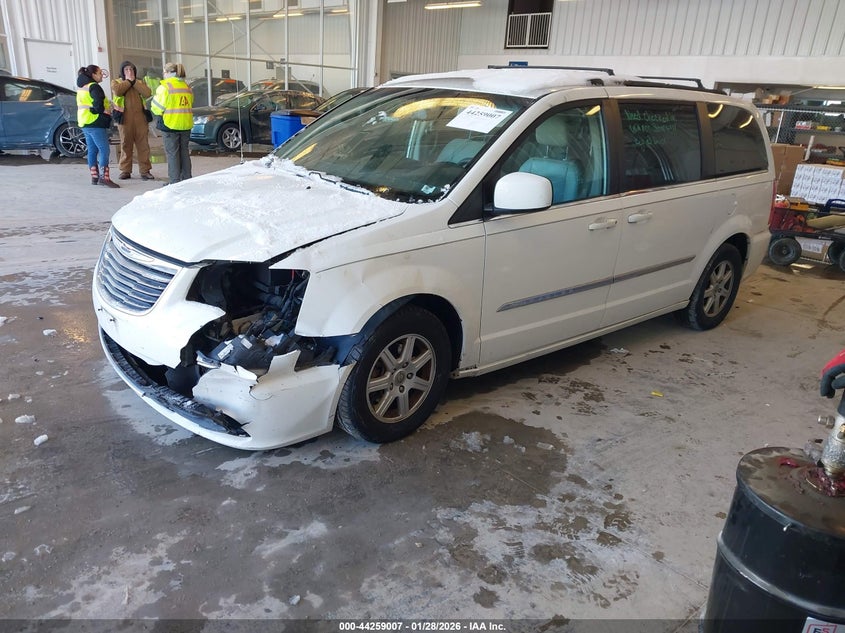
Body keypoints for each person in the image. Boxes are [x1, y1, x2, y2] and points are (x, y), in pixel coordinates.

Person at [150, 62, 193, 185]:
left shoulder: (165, 87)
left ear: (169, 73)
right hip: (185, 124)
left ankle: (174, 182)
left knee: (173, 154)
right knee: (184, 152)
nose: (163, 74)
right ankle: (187, 179)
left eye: (164, 72)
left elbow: (157, 108)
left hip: (170, 124)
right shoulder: (187, 87)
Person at [76, 65, 119, 188]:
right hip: (95, 123)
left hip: (85, 122)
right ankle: (104, 178)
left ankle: (94, 176)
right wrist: (106, 111)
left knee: (92, 150)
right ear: (93, 75)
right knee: (104, 150)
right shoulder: (94, 87)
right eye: (100, 73)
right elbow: (98, 106)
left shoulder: (82, 87)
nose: (102, 76)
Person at [111, 61, 154, 180]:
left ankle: (145, 171)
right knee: (126, 144)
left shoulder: (140, 82)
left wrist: (134, 82)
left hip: (140, 119)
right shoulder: (116, 82)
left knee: (143, 145)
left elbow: (147, 93)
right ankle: (125, 170)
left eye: (131, 69)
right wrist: (129, 81)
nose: (129, 72)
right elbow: (118, 91)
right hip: (124, 119)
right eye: (126, 70)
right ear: (122, 72)